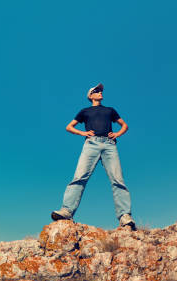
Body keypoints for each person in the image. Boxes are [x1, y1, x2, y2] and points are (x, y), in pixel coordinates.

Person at [51, 83, 136, 230]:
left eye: (101, 90)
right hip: (91, 144)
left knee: (117, 179)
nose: (100, 92)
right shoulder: (85, 111)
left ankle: (125, 216)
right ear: (90, 96)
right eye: (97, 91)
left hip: (109, 145)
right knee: (79, 176)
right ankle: (67, 211)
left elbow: (124, 125)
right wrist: (83, 133)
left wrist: (117, 134)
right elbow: (69, 126)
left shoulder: (110, 110)